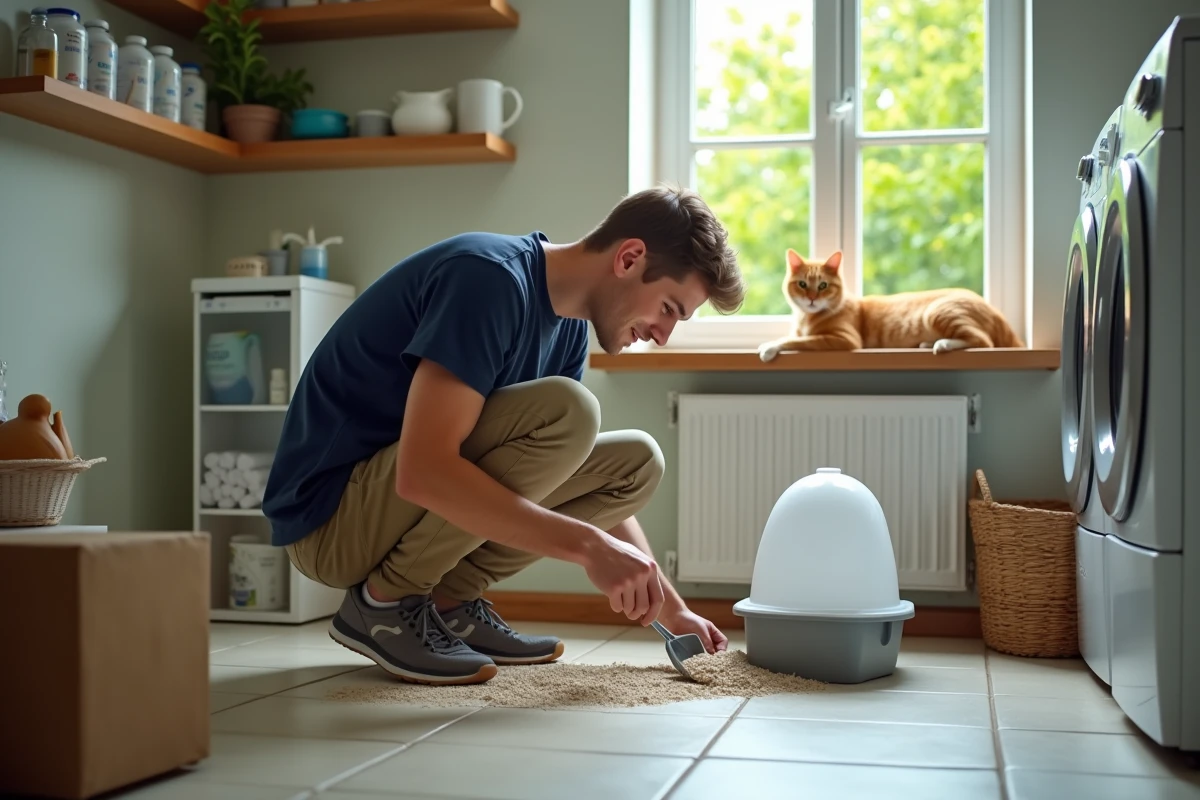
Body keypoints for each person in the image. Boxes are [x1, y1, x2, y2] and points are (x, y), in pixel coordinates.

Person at [262, 185, 747, 685]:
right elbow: (424, 472)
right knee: (571, 412)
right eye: (669, 308)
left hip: (385, 510)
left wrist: (674, 610)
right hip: (331, 521)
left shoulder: (569, 331)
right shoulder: (487, 279)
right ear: (629, 257)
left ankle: (449, 603)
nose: (663, 335)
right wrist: (588, 546)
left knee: (637, 464)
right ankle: (385, 604)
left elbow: (549, 467)